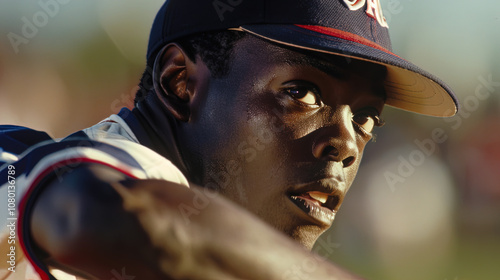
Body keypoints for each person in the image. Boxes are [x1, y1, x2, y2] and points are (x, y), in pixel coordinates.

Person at [0, 0, 459, 279]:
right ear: (181, 82)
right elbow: (115, 218)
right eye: (301, 92)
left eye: (365, 118)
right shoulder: (35, 165)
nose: (346, 142)